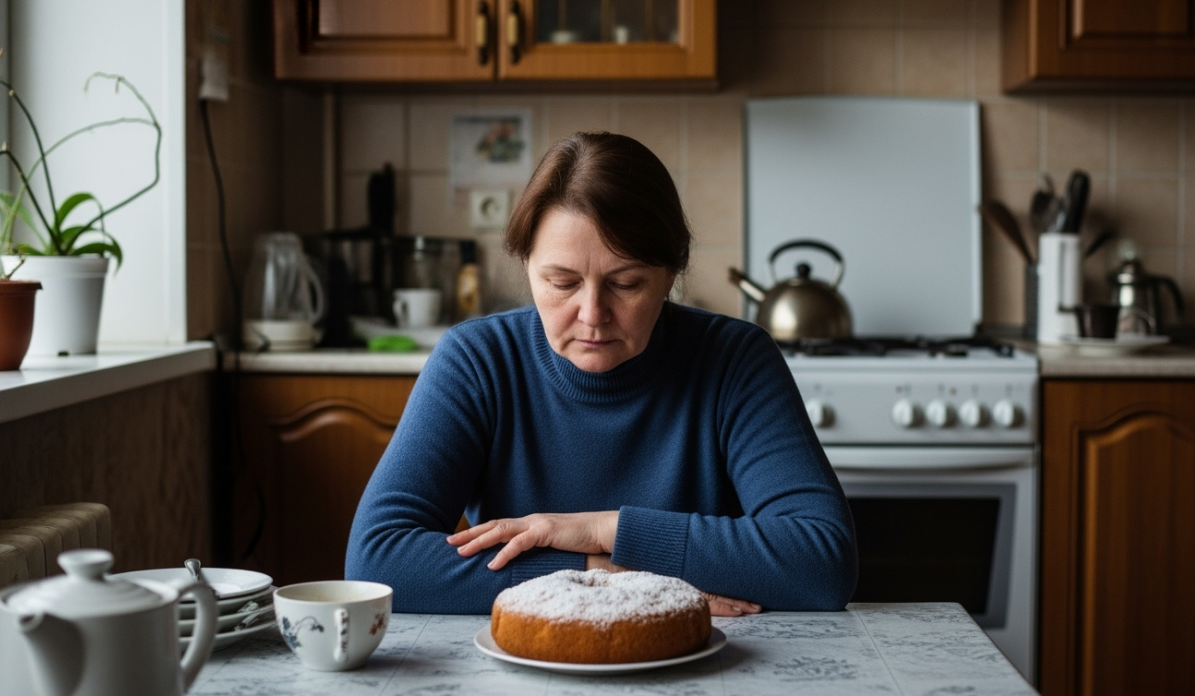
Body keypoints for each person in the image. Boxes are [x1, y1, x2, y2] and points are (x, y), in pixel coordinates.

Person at [345, 131, 857, 616]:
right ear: (527, 266)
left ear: (671, 274)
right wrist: (601, 574)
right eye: (562, 282)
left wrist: (603, 531)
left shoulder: (736, 360)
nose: (592, 315)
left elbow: (822, 562)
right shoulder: (477, 360)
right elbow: (378, 560)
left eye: (626, 283)